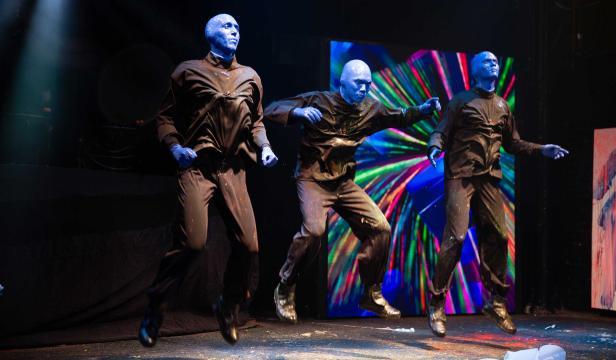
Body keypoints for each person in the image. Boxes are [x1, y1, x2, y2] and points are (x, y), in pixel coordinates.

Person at [138, 14, 278, 347]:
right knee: (193, 243)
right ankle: (155, 307)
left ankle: (227, 305)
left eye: (238, 28)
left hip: (233, 169)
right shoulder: (188, 71)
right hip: (197, 166)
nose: (234, 32)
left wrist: (266, 147)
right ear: (210, 34)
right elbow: (165, 117)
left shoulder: (250, 76)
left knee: (249, 245)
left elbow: (256, 121)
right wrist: (175, 149)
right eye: (227, 27)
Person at [265, 59, 441, 323]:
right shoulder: (319, 101)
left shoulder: (371, 109)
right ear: (343, 83)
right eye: (359, 83)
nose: (365, 88)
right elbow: (271, 109)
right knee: (314, 230)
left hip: (343, 182)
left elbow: (399, 116)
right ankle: (286, 285)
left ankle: (371, 292)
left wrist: (424, 110)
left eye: (368, 84)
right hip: (313, 178)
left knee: (381, 228)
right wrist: (299, 114)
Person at [426, 51, 569, 337]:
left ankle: (496, 301)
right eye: (487, 61)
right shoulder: (461, 101)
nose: (493, 63)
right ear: (476, 70)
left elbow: (513, 144)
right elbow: (441, 130)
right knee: (456, 237)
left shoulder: (503, 106)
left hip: (490, 179)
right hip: (461, 176)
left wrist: (542, 149)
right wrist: (435, 145)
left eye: (495, 60)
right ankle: (437, 303)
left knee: (500, 236)